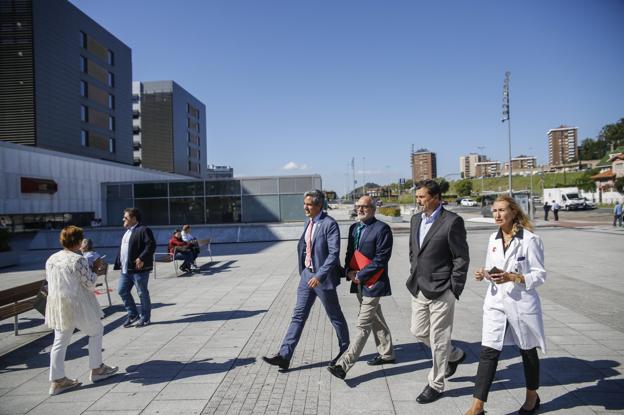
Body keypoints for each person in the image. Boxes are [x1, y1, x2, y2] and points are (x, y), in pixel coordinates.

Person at [464, 195, 546, 415]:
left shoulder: (530, 240)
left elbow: (539, 275)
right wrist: (485, 273)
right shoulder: (493, 238)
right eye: (494, 211)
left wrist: (514, 277)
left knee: (527, 350)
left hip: (521, 303)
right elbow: (494, 268)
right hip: (495, 302)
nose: (497, 215)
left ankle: (532, 397)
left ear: (513, 212)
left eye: (501, 210)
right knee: (488, 350)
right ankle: (477, 406)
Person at [263, 190, 349, 371]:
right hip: (306, 277)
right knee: (298, 315)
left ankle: (345, 350)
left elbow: (333, 254)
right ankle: (284, 356)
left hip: (322, 279)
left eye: (309, 204)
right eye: (305, 203)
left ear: (319, 205)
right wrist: (305, 271)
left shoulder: (329, 224)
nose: (305, 207)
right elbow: (304, 246)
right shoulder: (308, 222)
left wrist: (319, 275)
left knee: (335, 316)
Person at [406, 180, 470, 404]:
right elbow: (415, 251)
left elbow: (461, 258)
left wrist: (454, 288)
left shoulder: (452, 221)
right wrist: (414, 271)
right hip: (420, 287)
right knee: (418, 331)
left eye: (422, 197)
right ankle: (455, 355)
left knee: (439, 337)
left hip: (443, 289)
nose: (418, 200)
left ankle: (436, 384)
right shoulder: (415, 220)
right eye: (418, 196)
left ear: (435, 198)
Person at [327, 196, 395, 380]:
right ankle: (387, 354)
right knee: (376, 318)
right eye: (358, 206)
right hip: (358, 282)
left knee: (363, 323)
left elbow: (381, 258)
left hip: (374, 282)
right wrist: (349, 271)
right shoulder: (354, 228)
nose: (360, 209)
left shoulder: (382, 229)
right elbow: (350, 252)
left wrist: (361, 274)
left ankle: (344, 364)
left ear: (373, 209)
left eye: (364, 207)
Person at [45, 226, 118, 396]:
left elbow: (49, 280)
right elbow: (90, 283)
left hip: (58, 304)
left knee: (60, 341)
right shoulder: (78, 260)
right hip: (77, 304)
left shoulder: (52, 259)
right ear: (78, 241)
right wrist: (96, 269)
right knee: (96, 331)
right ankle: (97, 369)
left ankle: (57, 381)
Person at [114, 208, 156, 328]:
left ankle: (145, 318)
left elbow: (151, 245)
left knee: (142, 293)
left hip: (139, 270)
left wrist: (141, 258)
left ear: (134, 219)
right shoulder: (127, 232)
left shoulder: (143, 230)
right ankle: (133, 314)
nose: (123, 219)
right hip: (125, 270)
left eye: (126, 217)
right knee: (122, 290)